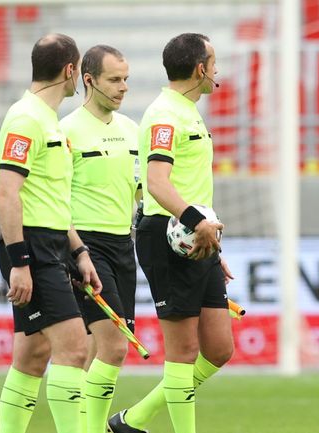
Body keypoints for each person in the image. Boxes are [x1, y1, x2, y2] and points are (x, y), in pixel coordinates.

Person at [108, 33, 234, 433]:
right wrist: (197, 223)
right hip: (169, 233)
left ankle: (131, 421)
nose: (217, 70)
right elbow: (157, 182)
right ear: (201, 69)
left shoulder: (188, 110)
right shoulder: (165, 114)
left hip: (197, 236)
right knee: (183, 351)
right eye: (214, 63)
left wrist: (208, 237)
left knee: (218, 349)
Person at [0, 33, 102, 433]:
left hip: (52, 244)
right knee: (74, 348)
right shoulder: (26, 119)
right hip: (32, 247)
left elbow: (51, 198)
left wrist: (79, 252)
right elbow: (7, 193)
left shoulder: (47, 121)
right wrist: (20, 261)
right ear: (71, 70)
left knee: (33, 353)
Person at [59, 44, 140, 433]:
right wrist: (77, 250)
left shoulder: (131, 130)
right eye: (114, 79)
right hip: (86, 246)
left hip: (125, 245)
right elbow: (54, 199)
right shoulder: (66, 131)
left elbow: (142, 190)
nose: (123, 87)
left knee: (98, 348)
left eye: (126, 79)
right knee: (115, 345)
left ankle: (81, 426)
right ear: (88, 80)